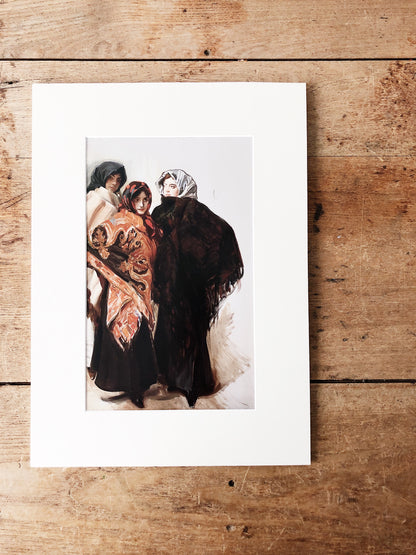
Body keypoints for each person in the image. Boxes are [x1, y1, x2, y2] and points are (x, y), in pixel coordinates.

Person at [151, 169, 244, 407]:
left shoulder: (196, 210)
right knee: (167, 329)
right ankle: (169, 379)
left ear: (183, 188)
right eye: (164, 186)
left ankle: (192, 385)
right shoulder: (158, 213)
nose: (167, 190)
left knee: (191, 334)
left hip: (190, 285)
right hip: (168, 282)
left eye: (172, 186)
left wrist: (200, 267)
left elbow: (221, 232)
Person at [87, 181, 160, 408]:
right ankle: (122, 384)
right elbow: (95, 241)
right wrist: (122, 269)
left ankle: (139, 386)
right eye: (137, 200)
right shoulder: (118, 220)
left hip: (142, 287)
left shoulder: (150, 225)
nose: (142, 204)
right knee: (123, 331)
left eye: (145, 200)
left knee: (139, 335)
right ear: (129, 200)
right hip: (120, 289)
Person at [86, 161, 127, 369]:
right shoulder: (94, 198)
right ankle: (89, 360)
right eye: (111, 177)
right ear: (103, 177)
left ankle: (102, 361)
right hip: (93, 261)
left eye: (118, 179)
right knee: (93, 305)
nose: (114, 182)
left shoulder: (119, 200)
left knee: (106, 308)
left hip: (111, 262)